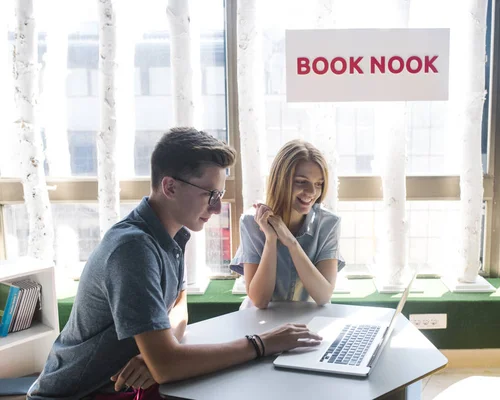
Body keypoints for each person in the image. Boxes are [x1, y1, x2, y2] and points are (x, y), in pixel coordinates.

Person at [27, 128, 322, 400]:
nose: (218, 207)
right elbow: (168, 366)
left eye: (219, 195)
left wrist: (153, 356)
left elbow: (178, 304)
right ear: (169, 187)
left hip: (122, 388)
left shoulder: (172, 235)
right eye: (210, 194)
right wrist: (261, 343)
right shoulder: (133, 249)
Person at [230, 139, 344, 309]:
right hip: (262, 323)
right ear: (280, 180)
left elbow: (323, 296)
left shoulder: (329, 224)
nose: (312, 192)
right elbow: (259, 301)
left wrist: (291, 242)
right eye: (301, 181)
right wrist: (270, 239)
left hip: (308, 322)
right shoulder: (251, 222)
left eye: (318, 184)